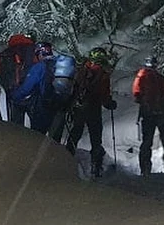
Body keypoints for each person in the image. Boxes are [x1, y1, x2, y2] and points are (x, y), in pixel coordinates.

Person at [64, 47, 117, 177]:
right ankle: (96, 167)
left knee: (75, 132)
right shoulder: (102, 73)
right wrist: (109, 103)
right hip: (93, 107)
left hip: (79, 107)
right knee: (96, 137)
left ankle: (65, 159)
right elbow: (104, 94)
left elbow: (75, 87)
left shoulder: (83, 69)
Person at [133, 56, 164, 174]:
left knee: (147, 141)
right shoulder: (161, 78)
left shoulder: (140, 78)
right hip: (162, 113)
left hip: (147, 114)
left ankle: (145, 168)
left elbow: (136, 94)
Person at [11, 41, 64, 139]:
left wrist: (14, 96)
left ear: (39, 53)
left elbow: (26, 88)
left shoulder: (40, 67)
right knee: (55, 141)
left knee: (37, 138)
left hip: (43, 108)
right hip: (60, 106)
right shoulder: (60, 64)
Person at [0, 33, 36, 125]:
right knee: (36, 122)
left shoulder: (6, 52)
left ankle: (16, 133)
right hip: (31, 92)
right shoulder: (32, 50)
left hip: (12, 91)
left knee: (16, 122)